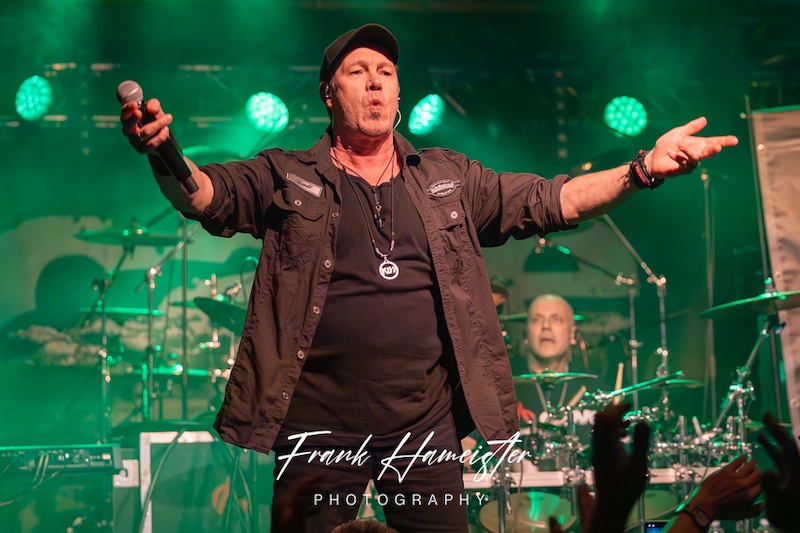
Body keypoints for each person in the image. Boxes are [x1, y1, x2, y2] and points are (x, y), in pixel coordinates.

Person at [119, 22, 739, 533]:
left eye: (386, 72)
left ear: (398, 91)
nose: (375, 82)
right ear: (329, 94)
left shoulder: (448, 177)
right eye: (358, 72)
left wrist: (643, 168)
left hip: (424, 427)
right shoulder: (287, 174)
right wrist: (163, 152)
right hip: (315, 425)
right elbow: (203, 196)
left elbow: (555, 199)